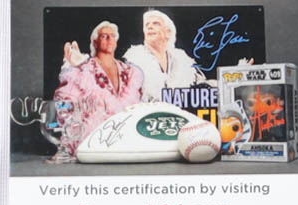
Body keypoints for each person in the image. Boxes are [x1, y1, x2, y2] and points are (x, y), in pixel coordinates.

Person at [55, 21, 144, 158]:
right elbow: (64, 105)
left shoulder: (130, 72)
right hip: (92, 143)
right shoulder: (82, 70)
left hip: (126, 143)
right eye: (104, 36)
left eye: (113, 36)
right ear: (95, 43)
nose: (109, 39)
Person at [122, 9, 208, 101]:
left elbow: (203, 86)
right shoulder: (133, 60)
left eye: (156, 23)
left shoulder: (183, 60)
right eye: (147, 25)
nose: (149, 27)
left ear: (168, 32)